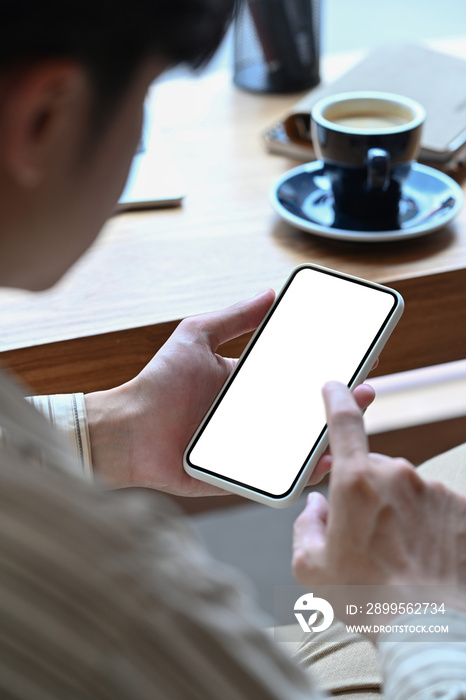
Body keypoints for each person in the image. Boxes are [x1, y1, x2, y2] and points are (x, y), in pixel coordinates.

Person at [0, 1, 465, 698]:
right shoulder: (116, 592)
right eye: (146, 99)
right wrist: (415, 607)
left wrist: (117, 432)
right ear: (44, 117)